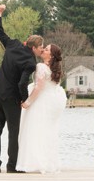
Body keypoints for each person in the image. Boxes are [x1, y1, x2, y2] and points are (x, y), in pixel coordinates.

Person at [0, 4, 44, 173]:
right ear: (33, 47)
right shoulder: (30, 62)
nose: (41, 51)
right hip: (11, 97)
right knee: (13, 132)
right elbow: (22, 83)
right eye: (41, 48)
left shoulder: (12, 44)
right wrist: (23, 99)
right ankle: (11, 166)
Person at [16, 44, 67, 173]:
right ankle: (47, 162)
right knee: (47, 131)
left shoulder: (41, 67)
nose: (44, 50)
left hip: (40, 102)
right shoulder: (56, 70)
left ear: (51, 55)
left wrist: (28, 102)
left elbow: (39, 87)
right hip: (51, 102)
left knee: (34, 129)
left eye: (47, 49)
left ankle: (35, 162)